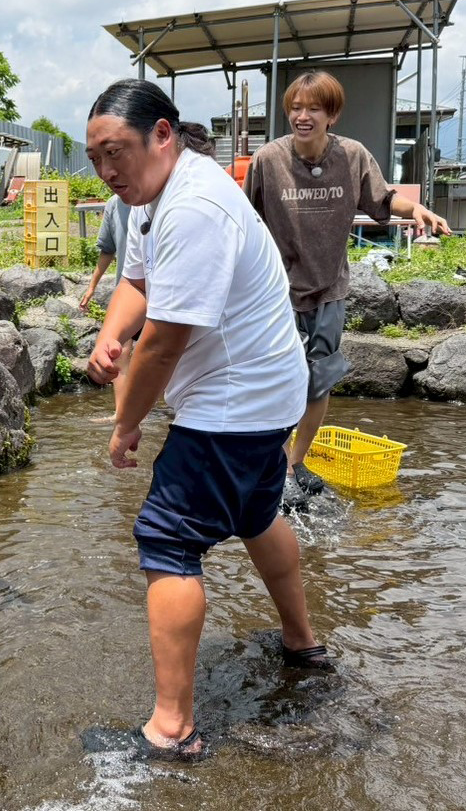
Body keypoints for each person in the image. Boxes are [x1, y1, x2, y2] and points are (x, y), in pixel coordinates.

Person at [85, 79, 329, 761]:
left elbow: (164, 343)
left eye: (116, 152)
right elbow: (135, 284)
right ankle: (301, 642)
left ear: (162, 134)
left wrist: (125, 423)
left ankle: (172, 728)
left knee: (166, 538)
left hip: (236, 399)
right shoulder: (148, 196)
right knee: (255, 513)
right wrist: (109, 335)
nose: (106, 171)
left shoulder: (194, 207)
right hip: (264, 392)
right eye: (95, 157)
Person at [243, 70, 451, 495]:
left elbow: (384, 198)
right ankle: (272, 462)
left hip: (329, 289)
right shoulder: (268, 160)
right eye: (295, 108)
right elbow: (244, 219)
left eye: (313, 109)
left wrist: (416, 210)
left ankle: (295, 462)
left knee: (319, 379)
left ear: (332, 115)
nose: (303, 116)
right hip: (276, 291)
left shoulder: (352, 156)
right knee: (276, 379)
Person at [78, 194, 134, 414]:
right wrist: (92, 286)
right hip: (128, 291)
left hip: (160, 291)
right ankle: (122, 413)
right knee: (118, 350)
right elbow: (107, 250)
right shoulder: (114, 204)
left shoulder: (156, 199)